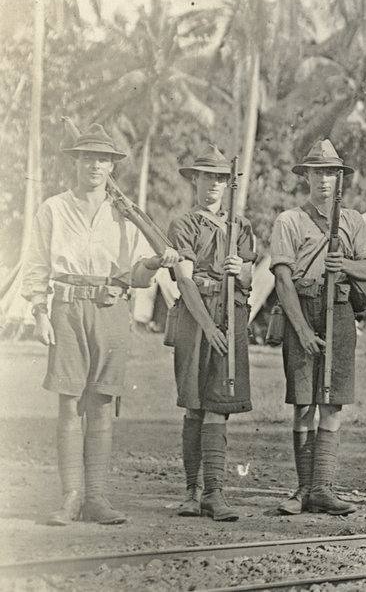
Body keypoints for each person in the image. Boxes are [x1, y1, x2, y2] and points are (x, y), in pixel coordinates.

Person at [23, 124, 179, 525]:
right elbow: (36, 264)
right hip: (67, 308)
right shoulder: (54, 209)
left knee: (102, 402)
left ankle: (95, 497)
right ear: (75, 162)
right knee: (69, 402)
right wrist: (39, 312)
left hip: (111, 308)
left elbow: (137, 275)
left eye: (103, 159)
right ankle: (70, 497)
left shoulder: (125, 214)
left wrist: (156, 262)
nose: (95, 165)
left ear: (112, 167)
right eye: (88, 157)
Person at [270, 139, 366, 516]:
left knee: (332, 402)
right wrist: (301, 329)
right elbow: (282, 280)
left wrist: (343, 264)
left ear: (339, 178)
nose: (324, 180)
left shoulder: (353, 220)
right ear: (307, 177)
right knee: (303, 403)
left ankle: (322, 489)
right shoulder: (289, 220)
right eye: (317, 172)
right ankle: (303, 488)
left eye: (331, 172)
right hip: (302, 307)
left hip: (340, 311)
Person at [168, 145, 256, 521]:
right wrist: (207, 326)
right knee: (194, 406)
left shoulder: (241, 226)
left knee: (219, 406)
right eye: (207, 177)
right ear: (196, 180)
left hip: (230, 317)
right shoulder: (184, 224)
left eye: (220, 179)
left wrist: (240, 269)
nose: (214, 185)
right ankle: (191, 491)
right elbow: (184, 281)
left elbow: (250, 277)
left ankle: (214, 493)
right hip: (195, 319)